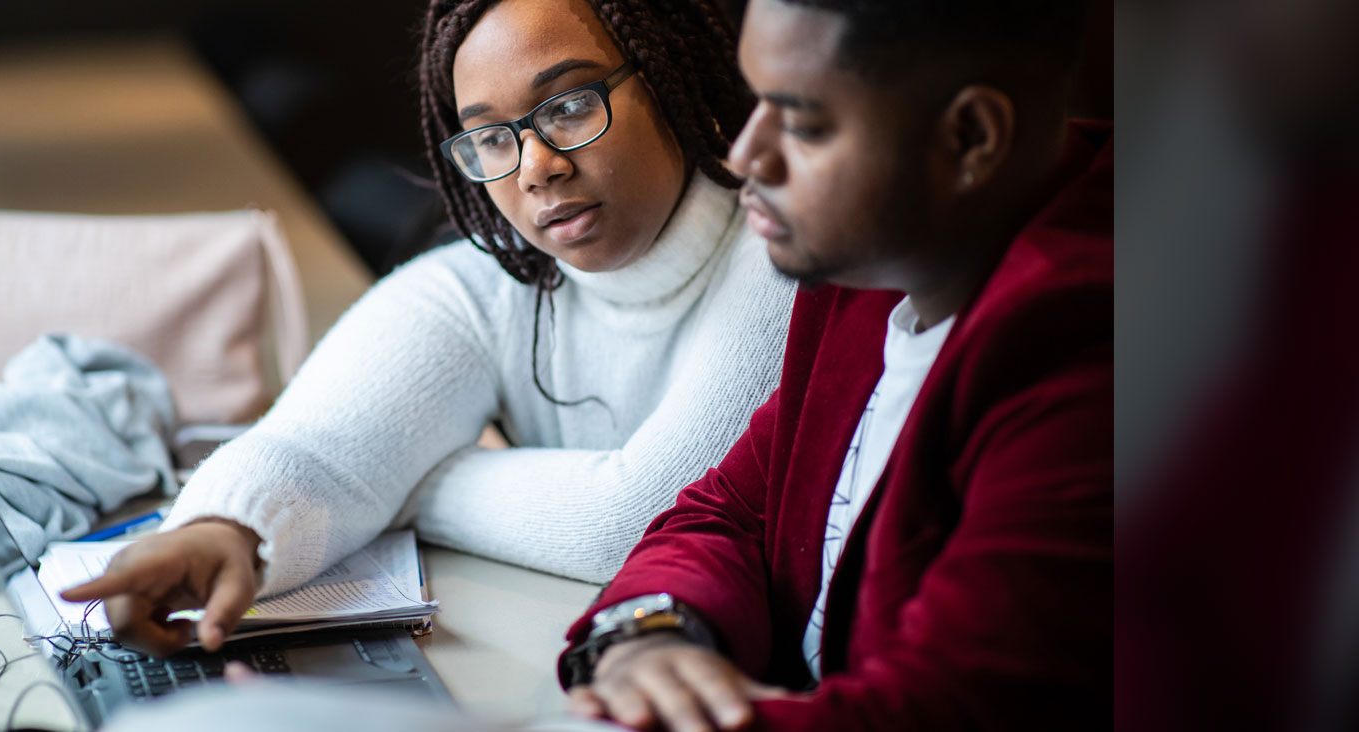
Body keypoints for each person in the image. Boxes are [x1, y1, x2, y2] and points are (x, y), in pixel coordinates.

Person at [63, 0, 797, 657]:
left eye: (570, 106)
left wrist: (404, 479)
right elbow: (314, 445)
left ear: (674, 83)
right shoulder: (502, 277)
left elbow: (638, 516)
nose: (536, 168)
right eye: (492, 139)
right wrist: (221, 532)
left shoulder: (784, 261)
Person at [557, 1, 1111, 731]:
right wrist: (648, 642)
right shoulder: (874, 265)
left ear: (972, 137)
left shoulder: (1083, 348)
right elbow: (733, 511)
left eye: (805, 123)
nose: (745, 156)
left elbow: (947, 707)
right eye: (756, 102)